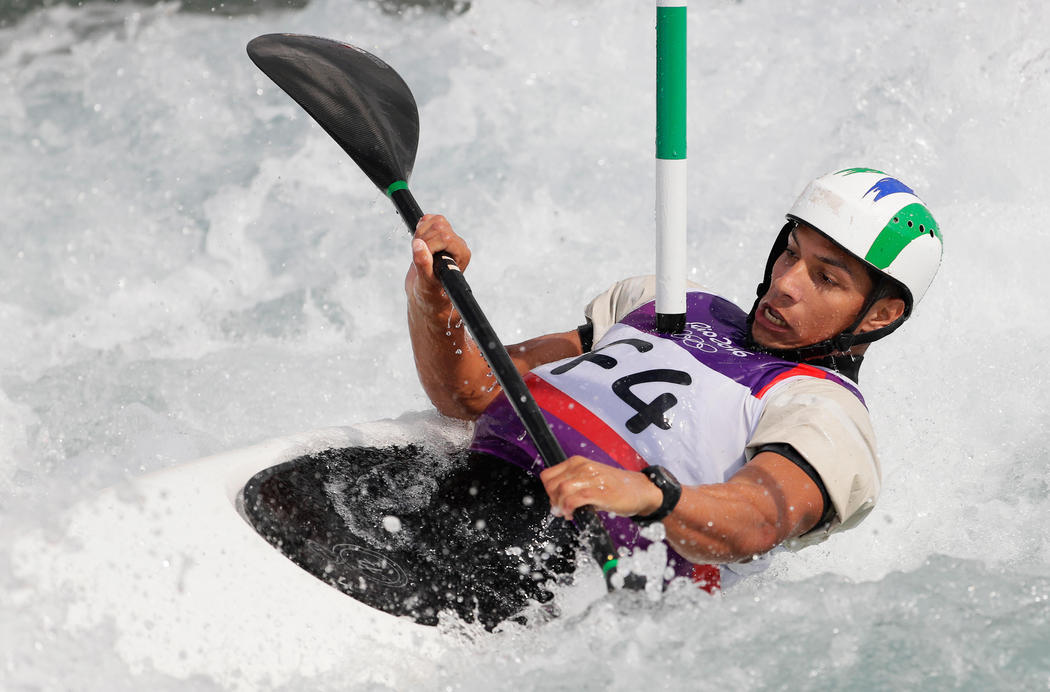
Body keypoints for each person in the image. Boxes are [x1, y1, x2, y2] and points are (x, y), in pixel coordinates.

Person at [404, 167, 943, 606]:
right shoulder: (665, 303)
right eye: (790, 253)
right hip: (454, 489)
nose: (784, 283)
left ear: (880, 315)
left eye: (825, 278)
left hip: (564, 577)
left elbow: (758, 518)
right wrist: (435, 303)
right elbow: (471, 393)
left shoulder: (825, 414)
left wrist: (648, 493)